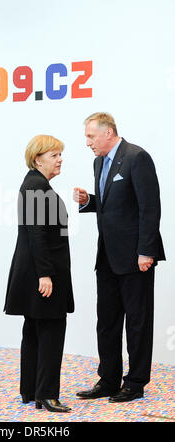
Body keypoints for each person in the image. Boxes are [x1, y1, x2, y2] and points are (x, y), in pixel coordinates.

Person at [73, 112, 165, 403]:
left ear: (108, 132)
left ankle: (135, 383)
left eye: (90, 136)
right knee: (107, 321)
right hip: (108, 257)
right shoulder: (99, 161)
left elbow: (149, 207)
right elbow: (114, 204)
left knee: (137, 322)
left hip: (137, 256)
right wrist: (90, 202)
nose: (87, 142)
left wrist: (146, 251)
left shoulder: (137, 157)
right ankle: (108, 380)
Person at [4, 134, 74, 412]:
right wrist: (45, 274)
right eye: (54, 155)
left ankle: (31, 390)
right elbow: (37, 234)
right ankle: (46, 394)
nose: (60, 160)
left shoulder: (35, 184)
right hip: (43, 274)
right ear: (38, 159)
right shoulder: (36, 186)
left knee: (34, 330)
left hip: (35, 270)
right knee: (51, 330)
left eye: (60, 154)